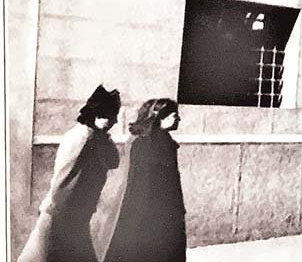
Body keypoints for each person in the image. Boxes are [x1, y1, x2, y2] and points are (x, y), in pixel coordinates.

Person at [18, 85, 121, 262]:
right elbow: (62, 181)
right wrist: (66, 216)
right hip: (61, 218)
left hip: (73, 218)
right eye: (111, 117)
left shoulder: (95, 137)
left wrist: (106, 136)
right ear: (96, 115)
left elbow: (114, 161)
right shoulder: (82, 138)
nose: (115, 122)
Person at [104, 99, 187, 262]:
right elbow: (143, 183)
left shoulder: (163, 140)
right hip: (149, 212)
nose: (178, 119)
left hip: (164, 210)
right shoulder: (145, 143)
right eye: (174, 115)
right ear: (160, 117)